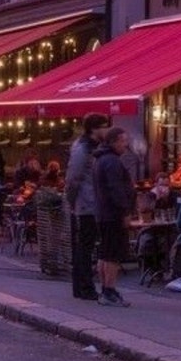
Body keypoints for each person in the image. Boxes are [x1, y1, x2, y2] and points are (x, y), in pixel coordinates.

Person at [64, 112, 110, 301]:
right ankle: (84, 287)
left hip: (93, 201)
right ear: (94, 129)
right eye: (104, 127)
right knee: (84, 246)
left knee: (86, 244)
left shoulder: (95, 147)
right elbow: (73, 178)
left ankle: (82, 287)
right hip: (86, 202)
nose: (107, 130)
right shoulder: (82, 148)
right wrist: (72, 201)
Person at [92, 125, 136, 307]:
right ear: (114, 141)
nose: (126, 144)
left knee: (104, 253)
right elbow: (116, 189)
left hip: (102, 213)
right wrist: (125, 211)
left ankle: (105, 289)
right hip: (113, 214)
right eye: (123, 141)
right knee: (113, 255)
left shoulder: (100, 160)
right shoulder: (112, 162)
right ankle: (109, 291)